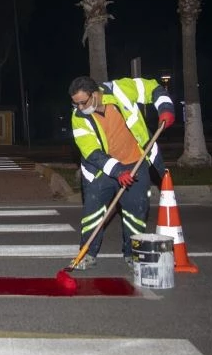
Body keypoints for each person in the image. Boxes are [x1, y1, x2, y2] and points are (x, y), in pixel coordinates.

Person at [68, 75, 175, 270]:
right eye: (76, 104)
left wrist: (165, 108)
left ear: (95, 94)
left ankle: (132, 254)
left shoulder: (120, 90)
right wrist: (118, 171)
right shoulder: (78, 117)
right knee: (92, 213)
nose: (80, 108)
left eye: (83, 102)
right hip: (100, 172)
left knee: (136, 212)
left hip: (136, 163)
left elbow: (153, 88)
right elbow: (92, 152)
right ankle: (87, 254)